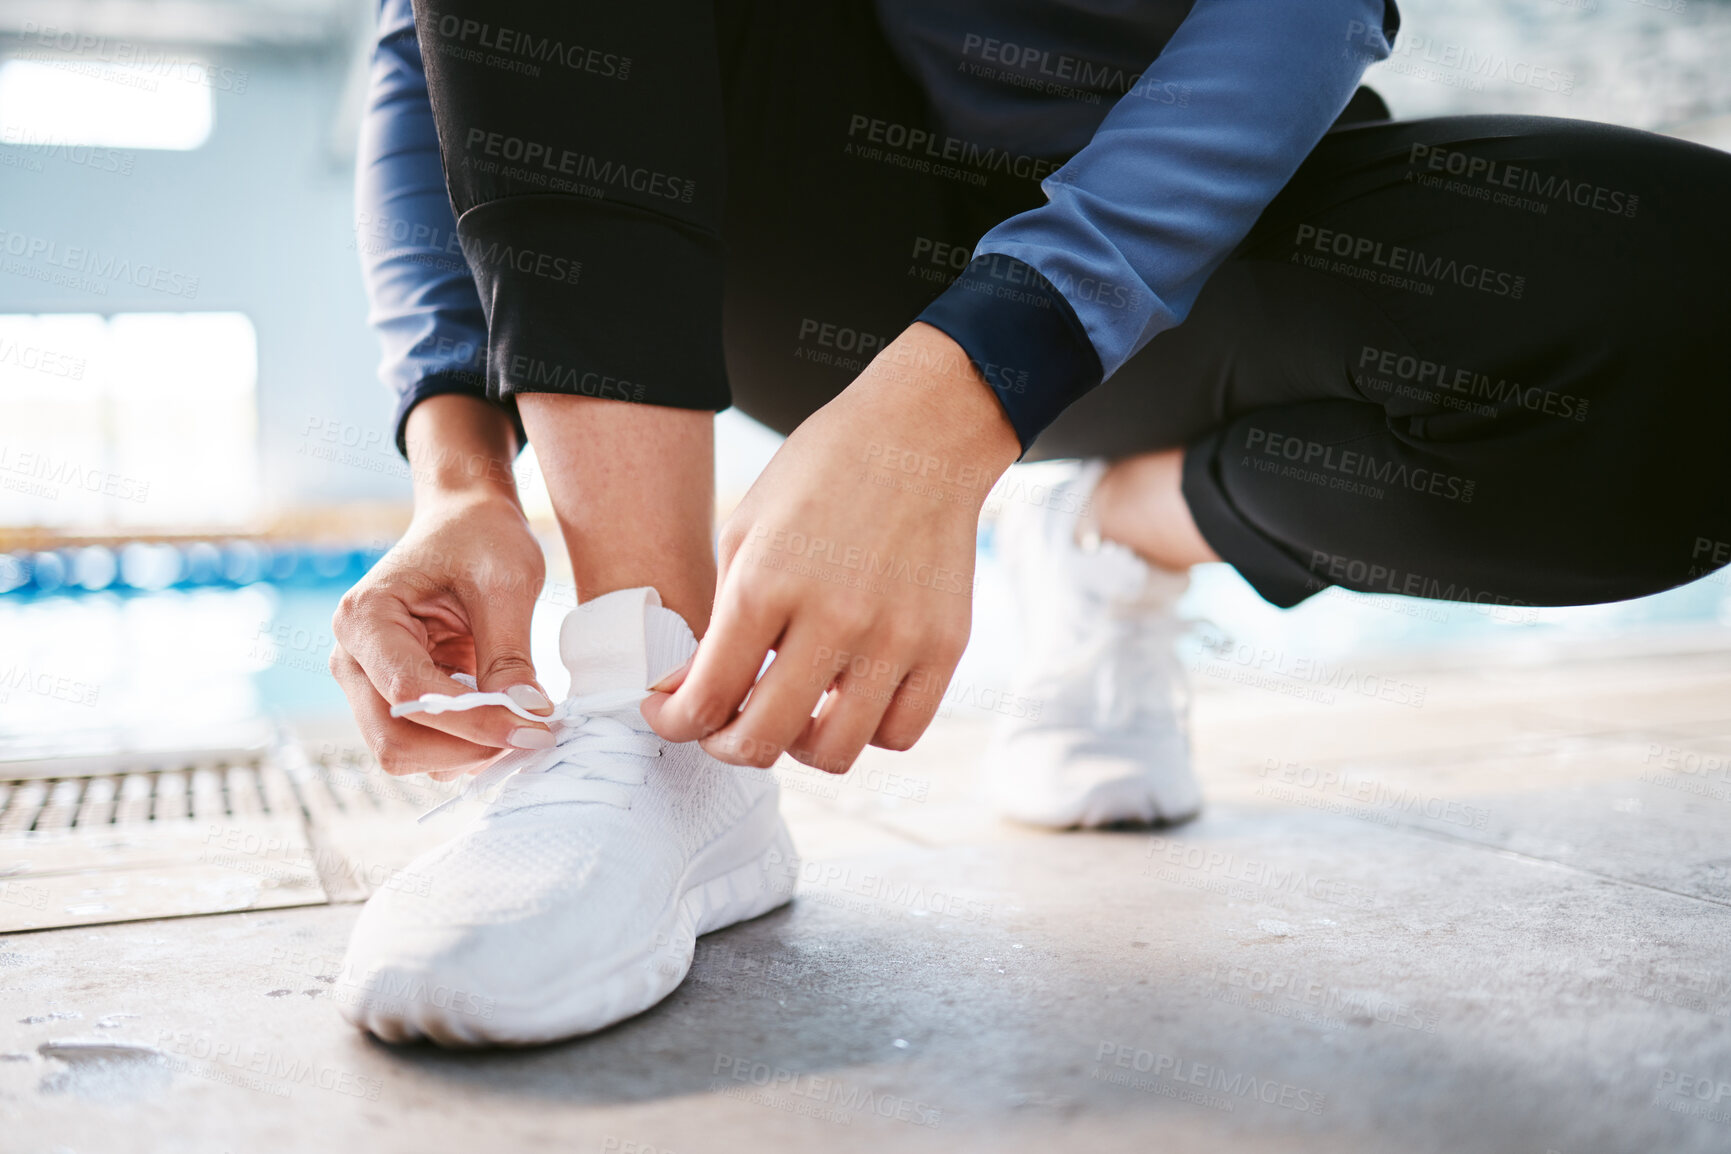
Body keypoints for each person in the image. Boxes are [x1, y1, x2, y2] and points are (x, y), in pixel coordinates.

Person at [330, 0, 1731, 1046]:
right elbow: (422, 39)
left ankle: (1121, 531)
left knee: (1697, 315)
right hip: (798, 217)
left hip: (1196, 233)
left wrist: (962, 399)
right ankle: (653, 717)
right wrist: (461, 464)